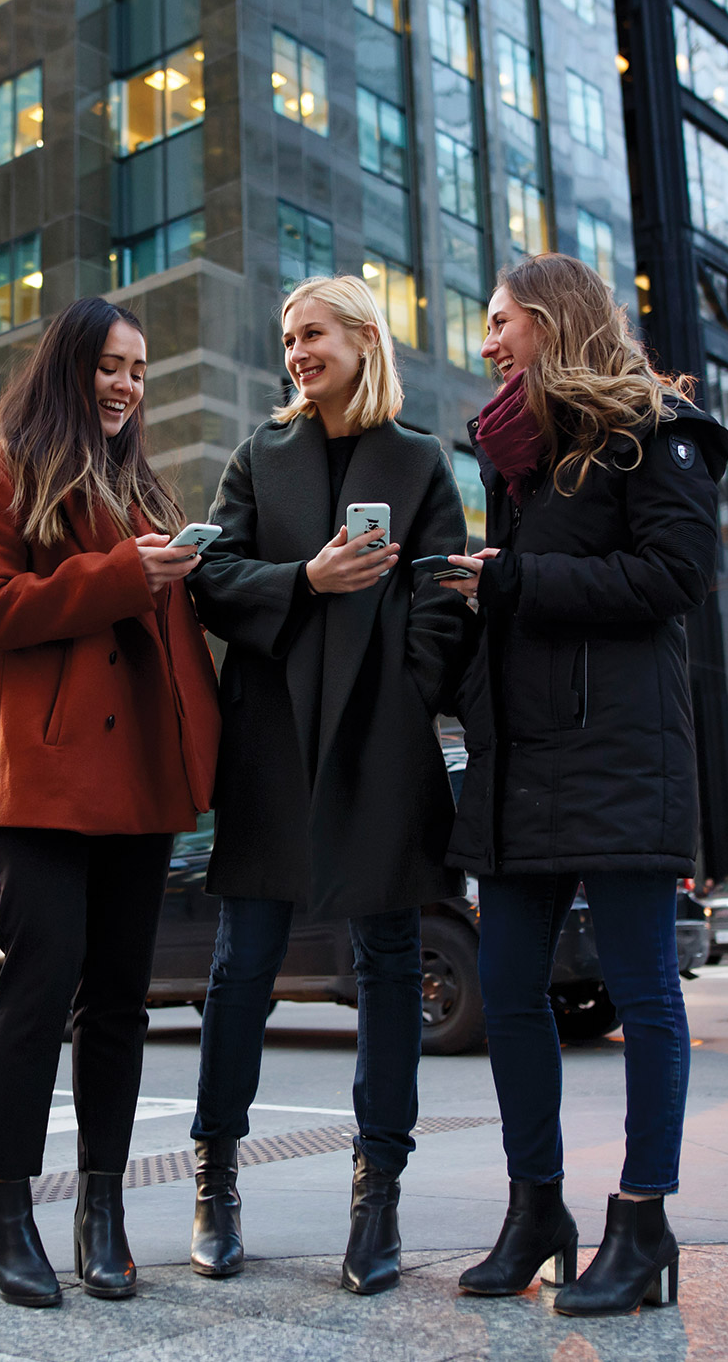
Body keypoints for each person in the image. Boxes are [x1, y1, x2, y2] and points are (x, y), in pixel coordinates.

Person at [441, 254, 728, 1317]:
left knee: (645, 991)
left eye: (499, 319)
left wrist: (513, 578)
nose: (485, 343)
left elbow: (673, 579)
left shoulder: (653, 431)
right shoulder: (513, 455)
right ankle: (536, 1210)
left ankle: (642, 1223)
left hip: (619, 757)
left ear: (552, 319)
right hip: (521, 761)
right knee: (509, 987)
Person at [186, 274, 471, 1295]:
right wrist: (304, 580)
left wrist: (406, 693)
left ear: (361, 337)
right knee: (242, 968)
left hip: (378, 747)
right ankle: (214, 1180)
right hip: (268, 746)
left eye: (312, 334)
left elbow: (446, 596)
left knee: (389, 968)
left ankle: (377, 1195)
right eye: (287, 338)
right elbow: (210, 581)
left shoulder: (419, 460)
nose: (296, 351)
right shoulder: (260, 454)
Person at [0, 297, 220, 1307]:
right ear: (69, 368)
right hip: (41, 780)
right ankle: (9, 1207)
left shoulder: (143, 489)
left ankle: (100, 1209)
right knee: (38, 984)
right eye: (110, 366)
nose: (126, 386)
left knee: (118, 1001)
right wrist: (119, 576)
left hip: (138, 781)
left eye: (139, 371)